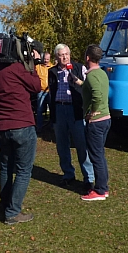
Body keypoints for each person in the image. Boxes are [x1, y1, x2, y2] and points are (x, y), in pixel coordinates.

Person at [0, 34, 42, 224]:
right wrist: (31, 64)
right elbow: (36, 86)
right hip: (22, 124)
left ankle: (5, 203)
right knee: (24, 170)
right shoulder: (16, 68)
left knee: (6, 166)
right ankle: (12, 211)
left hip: (2, 126)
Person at [48, 44, 94, 193]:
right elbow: (51, 93)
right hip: (59, 109)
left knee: (81, 145)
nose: (65, 57)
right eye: (61, 55)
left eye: (66, 54)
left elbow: (89, 87)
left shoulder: (79, 68)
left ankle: (89, 178)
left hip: (76, 110)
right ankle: (68, 174)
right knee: (62, 145)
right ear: (56, 57)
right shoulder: (52, 72)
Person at [78, 45, 111, 201]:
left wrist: (93, 111)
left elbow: (97, 94)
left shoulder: (91, 76)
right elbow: (96, 89)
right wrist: (79, 83)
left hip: (96, 122)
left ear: (87, 58)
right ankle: (103, 187)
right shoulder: (101, 73)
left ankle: (100, 190)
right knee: (100, 155)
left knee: (96, 156)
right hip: (106, 119)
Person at [35, 51, 53, 130]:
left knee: (52, 109)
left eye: (47, 59)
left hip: (50, 91)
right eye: (45, 59)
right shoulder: (38, 67)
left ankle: (52, 126)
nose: (46, 60)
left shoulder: (52, 67)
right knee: (39, 109)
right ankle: (39, 126)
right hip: (41, 91)